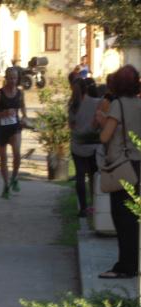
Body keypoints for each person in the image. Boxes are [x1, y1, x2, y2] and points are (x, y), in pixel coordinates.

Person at [96, 65, 141, 279]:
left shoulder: (117, 105)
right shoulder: (139, 103)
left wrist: (101, 121)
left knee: (123, 219)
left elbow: (106, 136)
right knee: (135, 217)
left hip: (123, 165)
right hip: (139, 163)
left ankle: (125, 266)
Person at [0, 66, 28, 199]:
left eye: (15, 78)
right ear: (6, 79)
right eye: (10, 78)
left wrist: (24, 117)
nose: (12, 81)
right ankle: (6, 185)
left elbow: (22, 106)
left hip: (15, 128)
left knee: (17, 154)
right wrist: (3, 113)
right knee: (3, 158)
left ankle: (14, 177)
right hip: (1, 129)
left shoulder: (20, 93)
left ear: (18, 79)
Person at [68, 77, 101, 217]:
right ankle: (95, 205)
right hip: (93, 145)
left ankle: (83, 208)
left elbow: (71, 126)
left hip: (77, 145)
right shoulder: (96, 102)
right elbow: (99, 120)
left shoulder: (72, 106)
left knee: (80, 177)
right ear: (86, 88)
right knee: (94, 177)